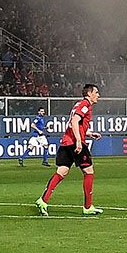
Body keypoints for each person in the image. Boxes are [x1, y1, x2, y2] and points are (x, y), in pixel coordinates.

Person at [36, 83, 101, 216]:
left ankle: (43, 201)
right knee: (89, 171)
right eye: (96, 92)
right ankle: (88, 207)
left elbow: (73, 123)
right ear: (89, 93)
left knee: (62, 171)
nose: (98, 95)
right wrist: (79, 141)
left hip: (66, 142)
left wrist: (89, 133)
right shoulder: (85, 104)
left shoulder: (78, 104)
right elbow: (74, 121)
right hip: (74, 142)